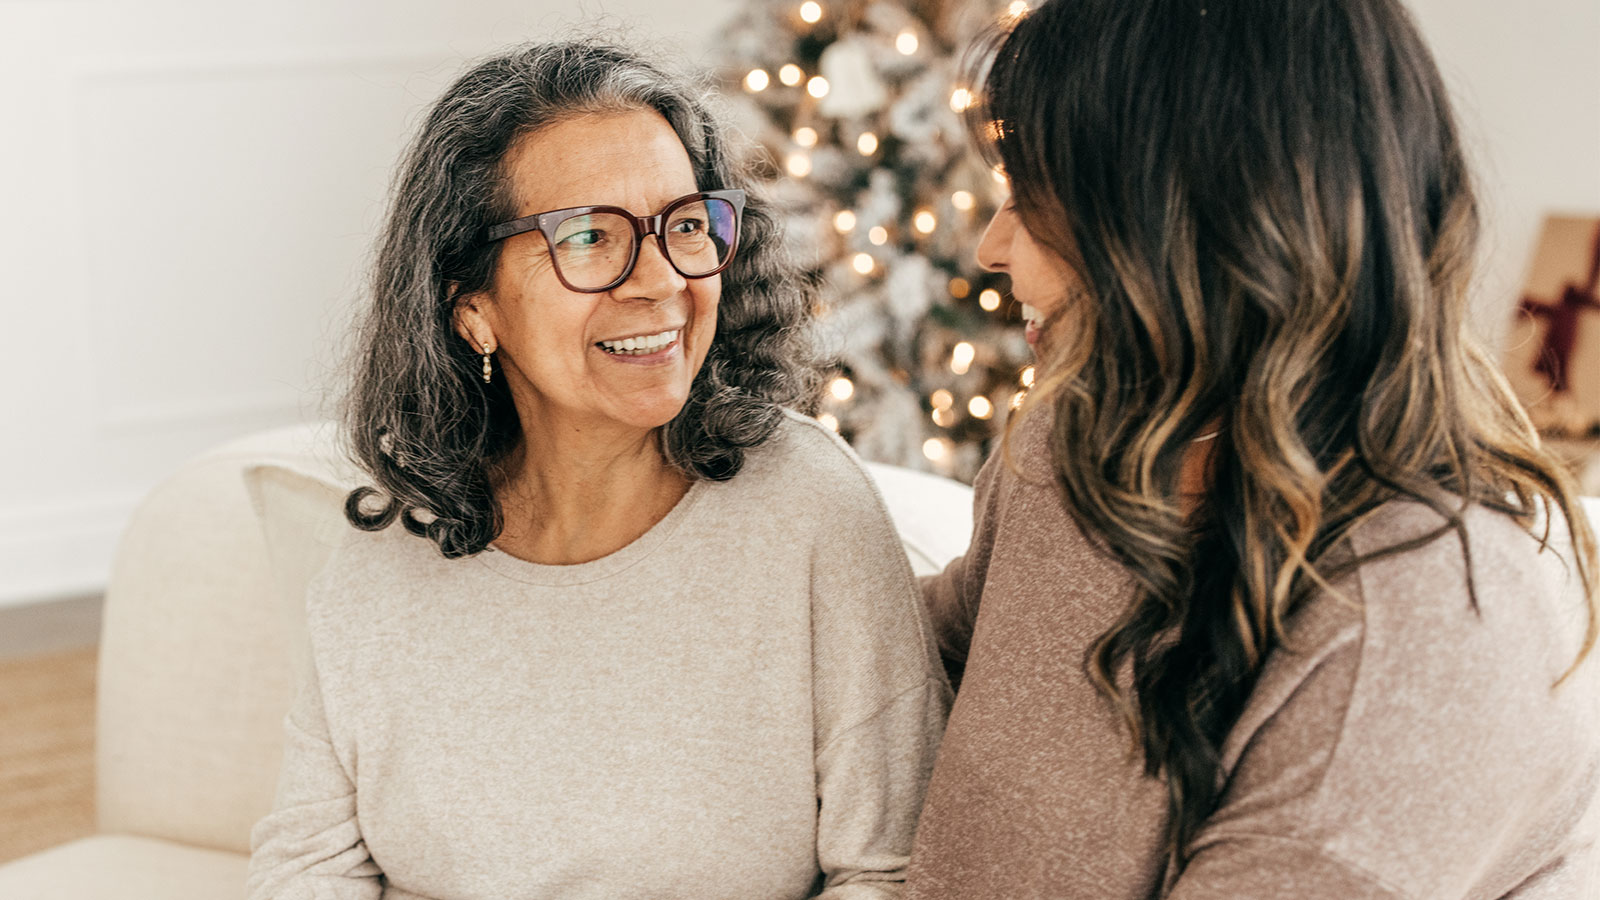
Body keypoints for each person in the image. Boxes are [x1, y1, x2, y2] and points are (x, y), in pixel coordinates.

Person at [905, 1, 1600, 897]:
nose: (992, 248)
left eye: (1038, 201)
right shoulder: (1077, 439)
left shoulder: (1430, 613)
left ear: (1198, 223)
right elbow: (930, 652)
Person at [246, 41, 948, 900]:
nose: (659, 281)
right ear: (474, 311)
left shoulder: (809, 511)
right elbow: (308, 865)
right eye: (588, 237)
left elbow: (894, 870)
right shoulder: (385, 558)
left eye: (685, 225)